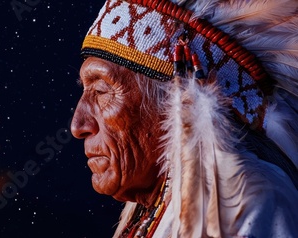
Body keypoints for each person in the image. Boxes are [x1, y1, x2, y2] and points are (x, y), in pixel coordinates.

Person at [70, 0, 298, 237]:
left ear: (177, 101)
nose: (78, 126)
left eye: (101, 92)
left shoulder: (245, 200)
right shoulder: (154, 211)